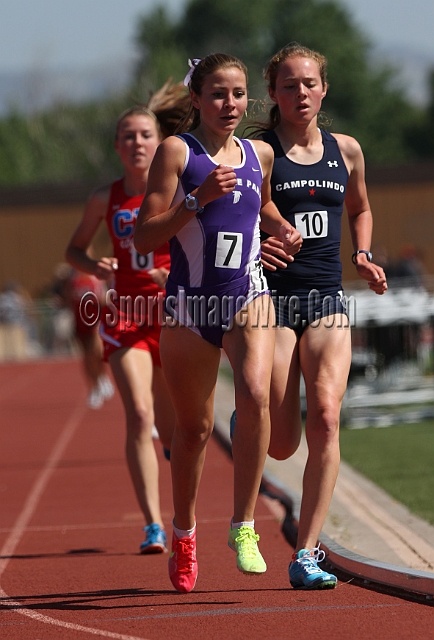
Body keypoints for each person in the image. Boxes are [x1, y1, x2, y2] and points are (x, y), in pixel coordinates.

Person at [134, 53, 302, 593]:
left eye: (237, 94)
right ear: (197, 100)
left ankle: (244, 525)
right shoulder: (177, 152)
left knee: (255, 396)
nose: (229, 104)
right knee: (195, 430)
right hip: (189, 307)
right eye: (217, 95)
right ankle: (184, 533)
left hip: (247, 297)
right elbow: (144, 238)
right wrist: (194, 201)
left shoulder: (260, 154)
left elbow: (263, 208)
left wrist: (285, 230)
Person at [254, 43, 388, 589]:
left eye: (309, 83)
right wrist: (266, 230)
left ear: (324, 88)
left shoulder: (347, 150)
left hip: (327, 299)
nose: (300, 93)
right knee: (282, 443)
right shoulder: (258, 152)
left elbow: (360, 206)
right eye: (289, 85)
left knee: (327, 418)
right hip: (276, 302)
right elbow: (238, 210)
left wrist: (362, 253)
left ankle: (305, 552)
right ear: (273, 94)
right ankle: (254, 420)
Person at [66, 81, 189, 554]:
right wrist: (93, 265)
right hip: (126, 318)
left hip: (174, 317)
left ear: (160, 142)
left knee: (176, 431)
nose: (137, 143)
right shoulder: (106, 198)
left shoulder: (180, 190)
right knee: (138, 415)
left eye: (144, 135)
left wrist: (173, 272)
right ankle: (153, 525)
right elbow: (73, 249)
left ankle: (184, 517)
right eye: (128, 136)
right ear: (118, 146)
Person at [57, 265, 114, 409]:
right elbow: (67, 299)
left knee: (97, 352)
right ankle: (93, 389)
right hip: (79, 322)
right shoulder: (72, 280)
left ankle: (102, 376)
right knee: (87, 357)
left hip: (95, 322)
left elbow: (104, 298)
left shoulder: (97, 279)